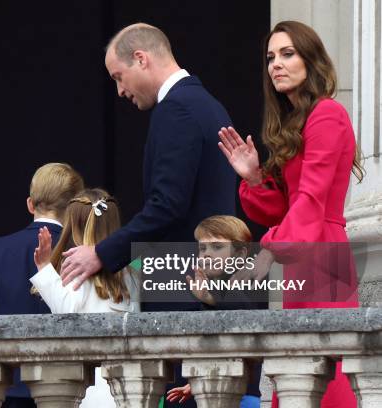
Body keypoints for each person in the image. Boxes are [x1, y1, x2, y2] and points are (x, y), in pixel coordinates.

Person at [217, 21, 362, 408]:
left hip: (324, 254)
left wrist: (267, 250)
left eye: (287, 54)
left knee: (324, 378)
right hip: (304, 257)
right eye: (270, 57)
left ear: (310, 60)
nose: (275, 65)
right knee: (301, 376)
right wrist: (253, 176)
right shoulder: (298, 122)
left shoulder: (327, 114)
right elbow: (284, 208)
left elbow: (312, 202)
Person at [60, 23, 236, 313]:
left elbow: (168, 206)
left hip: (183, 290)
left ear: (141, 59)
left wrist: (102, 253)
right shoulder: (210, 105)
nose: (119, 90)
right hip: (211, 288)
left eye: (119, 77)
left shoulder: (177, 108)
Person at [0, 162, 83, 408]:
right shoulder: (83, 253)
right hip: (67, 383)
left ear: (30, 204)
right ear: (74, 209)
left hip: (11, 384)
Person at [30, 188, 139, 407]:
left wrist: (44, 268)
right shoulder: (132, 276)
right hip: (127, 388)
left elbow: (66, 315)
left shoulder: (80, 271)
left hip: (89, 392)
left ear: (73, 226)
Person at [167, 215, 261, 408]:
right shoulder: (209, 293)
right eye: (203, 248)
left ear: (240, 254)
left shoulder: (244, 289)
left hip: (242, 398)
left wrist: (211, 299)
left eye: (217, 247)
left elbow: (242, 309)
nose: (207, 254)